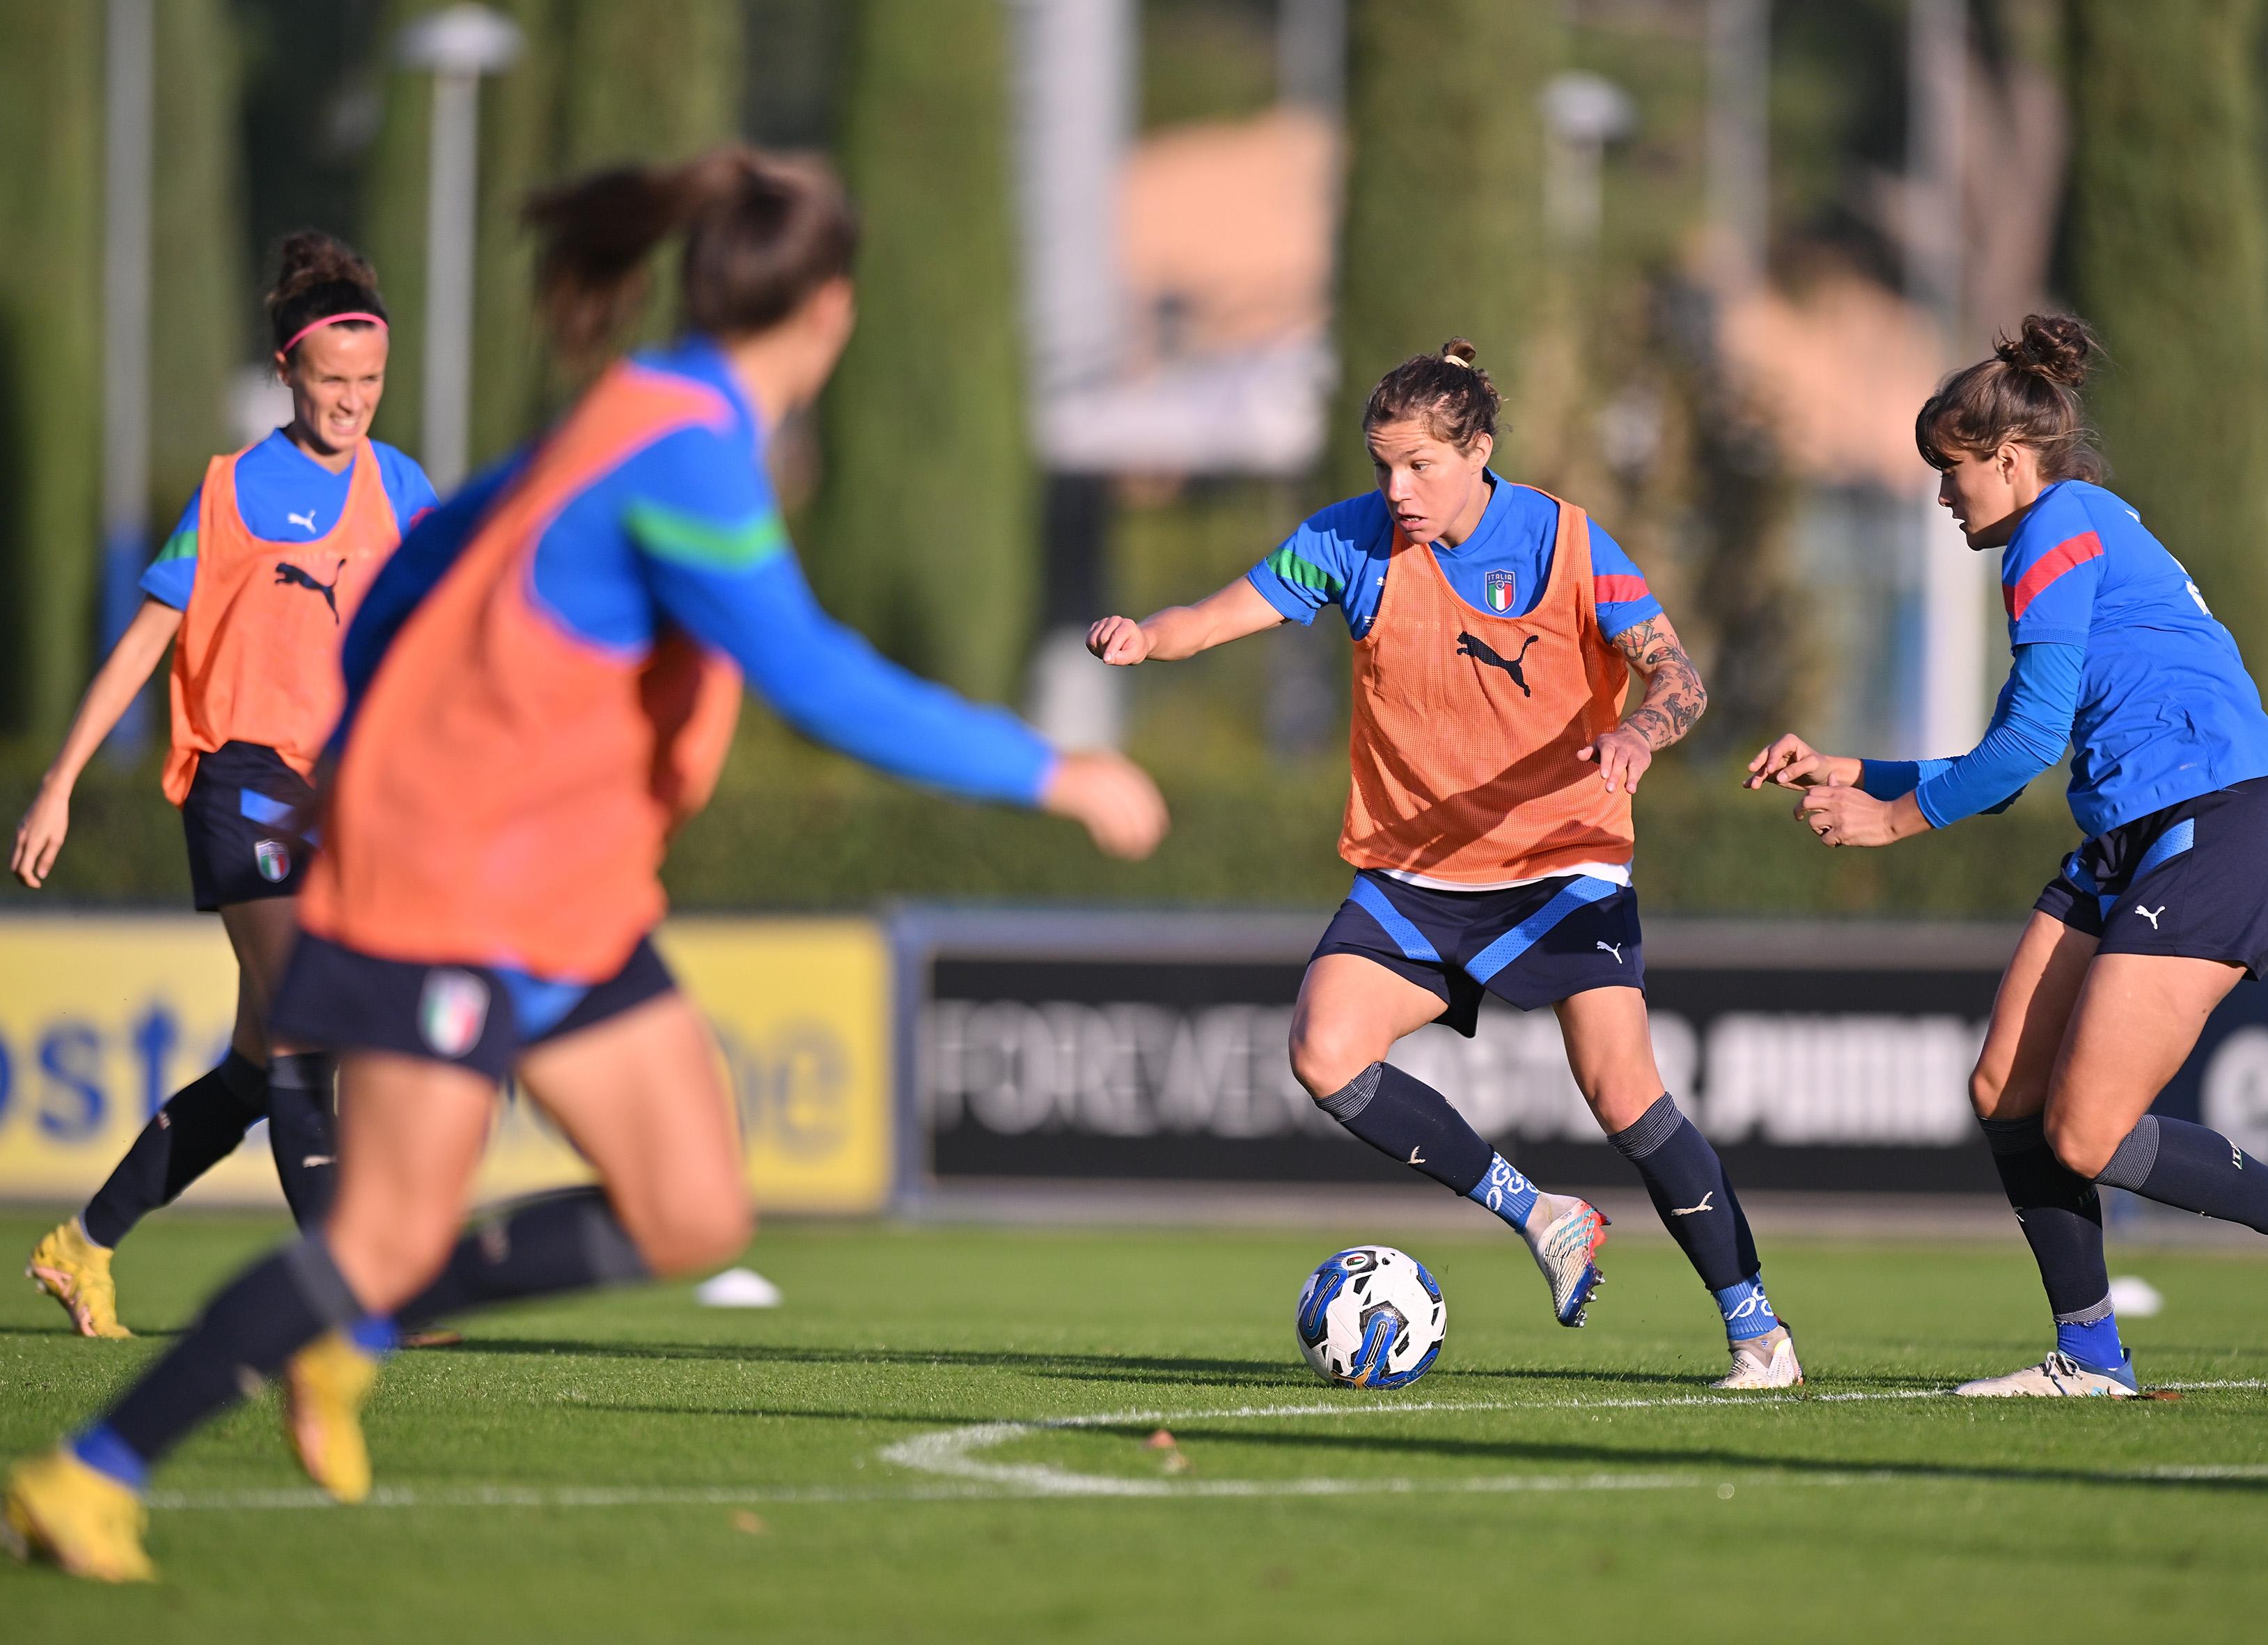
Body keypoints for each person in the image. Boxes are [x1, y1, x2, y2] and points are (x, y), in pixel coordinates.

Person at [1, 146, 1166, 1582]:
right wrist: (1055, 769)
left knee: (692, 1206)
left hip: (567, 891)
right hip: (455, 891)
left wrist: (367, 729)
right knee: (370, 1235)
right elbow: (812, 673)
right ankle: (87, 1472)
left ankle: (351, 1329)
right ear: (830, 313)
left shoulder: (639, 405)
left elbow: (410, 582)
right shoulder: (685, 448)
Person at [1086, 338, 1799, 1389]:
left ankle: (1758, 1331)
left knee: (1624, 1095)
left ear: (1481, 451)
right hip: (1417, 873)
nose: (1397, 490)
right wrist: (1149, 636)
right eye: (1383, 466)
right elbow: (1225, 610)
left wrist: (1641, 735)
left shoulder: (1564, 539)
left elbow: (1676, 672)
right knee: (1324, 1048)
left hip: (1562, 861)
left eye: (1420, 466)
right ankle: (1543, 1213)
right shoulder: (1350, 540)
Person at [1744, 313, 2268, 1398]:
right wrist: (1864, 772)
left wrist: (1895, 822)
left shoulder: (2057, 532)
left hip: (2212, 822)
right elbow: (2012, 747)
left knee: (2085, 1129)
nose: (1944, 497)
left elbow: (2028, 750)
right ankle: (2091, 1356)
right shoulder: (2077, 529)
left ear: (2008, 458)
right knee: (2006, 1086)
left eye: (1951, 473)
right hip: (2137, 830)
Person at [14, 234, 434, 1338]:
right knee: (308, 1026)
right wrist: (58, 783)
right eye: (332, 381)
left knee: (257, 1071)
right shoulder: (233, 491)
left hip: (335, 796)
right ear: (288, 372)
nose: (352, 402)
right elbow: (141, 646)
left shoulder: (403, 489)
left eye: (370, 381)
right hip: (240, 779)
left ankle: (82, 1243)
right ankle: (357, 1293)